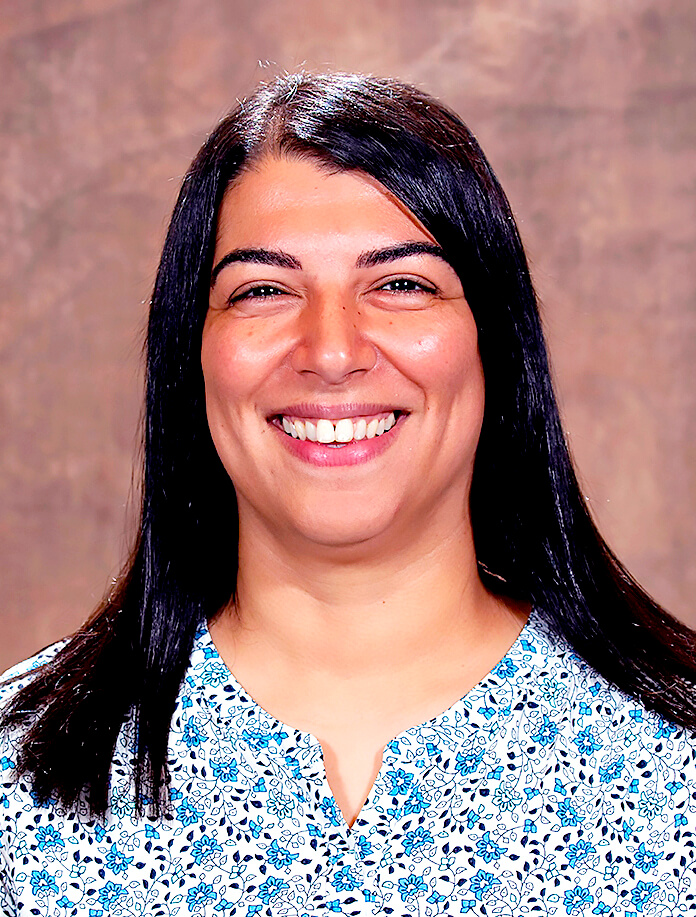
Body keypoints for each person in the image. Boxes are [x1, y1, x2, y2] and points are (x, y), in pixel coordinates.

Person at [1, 71, 695, 916]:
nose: (331, 350)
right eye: (263, 289)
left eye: (401, 283)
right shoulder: (20, 777)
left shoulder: (677, 763)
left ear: (497, 342)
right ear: (193, 357)